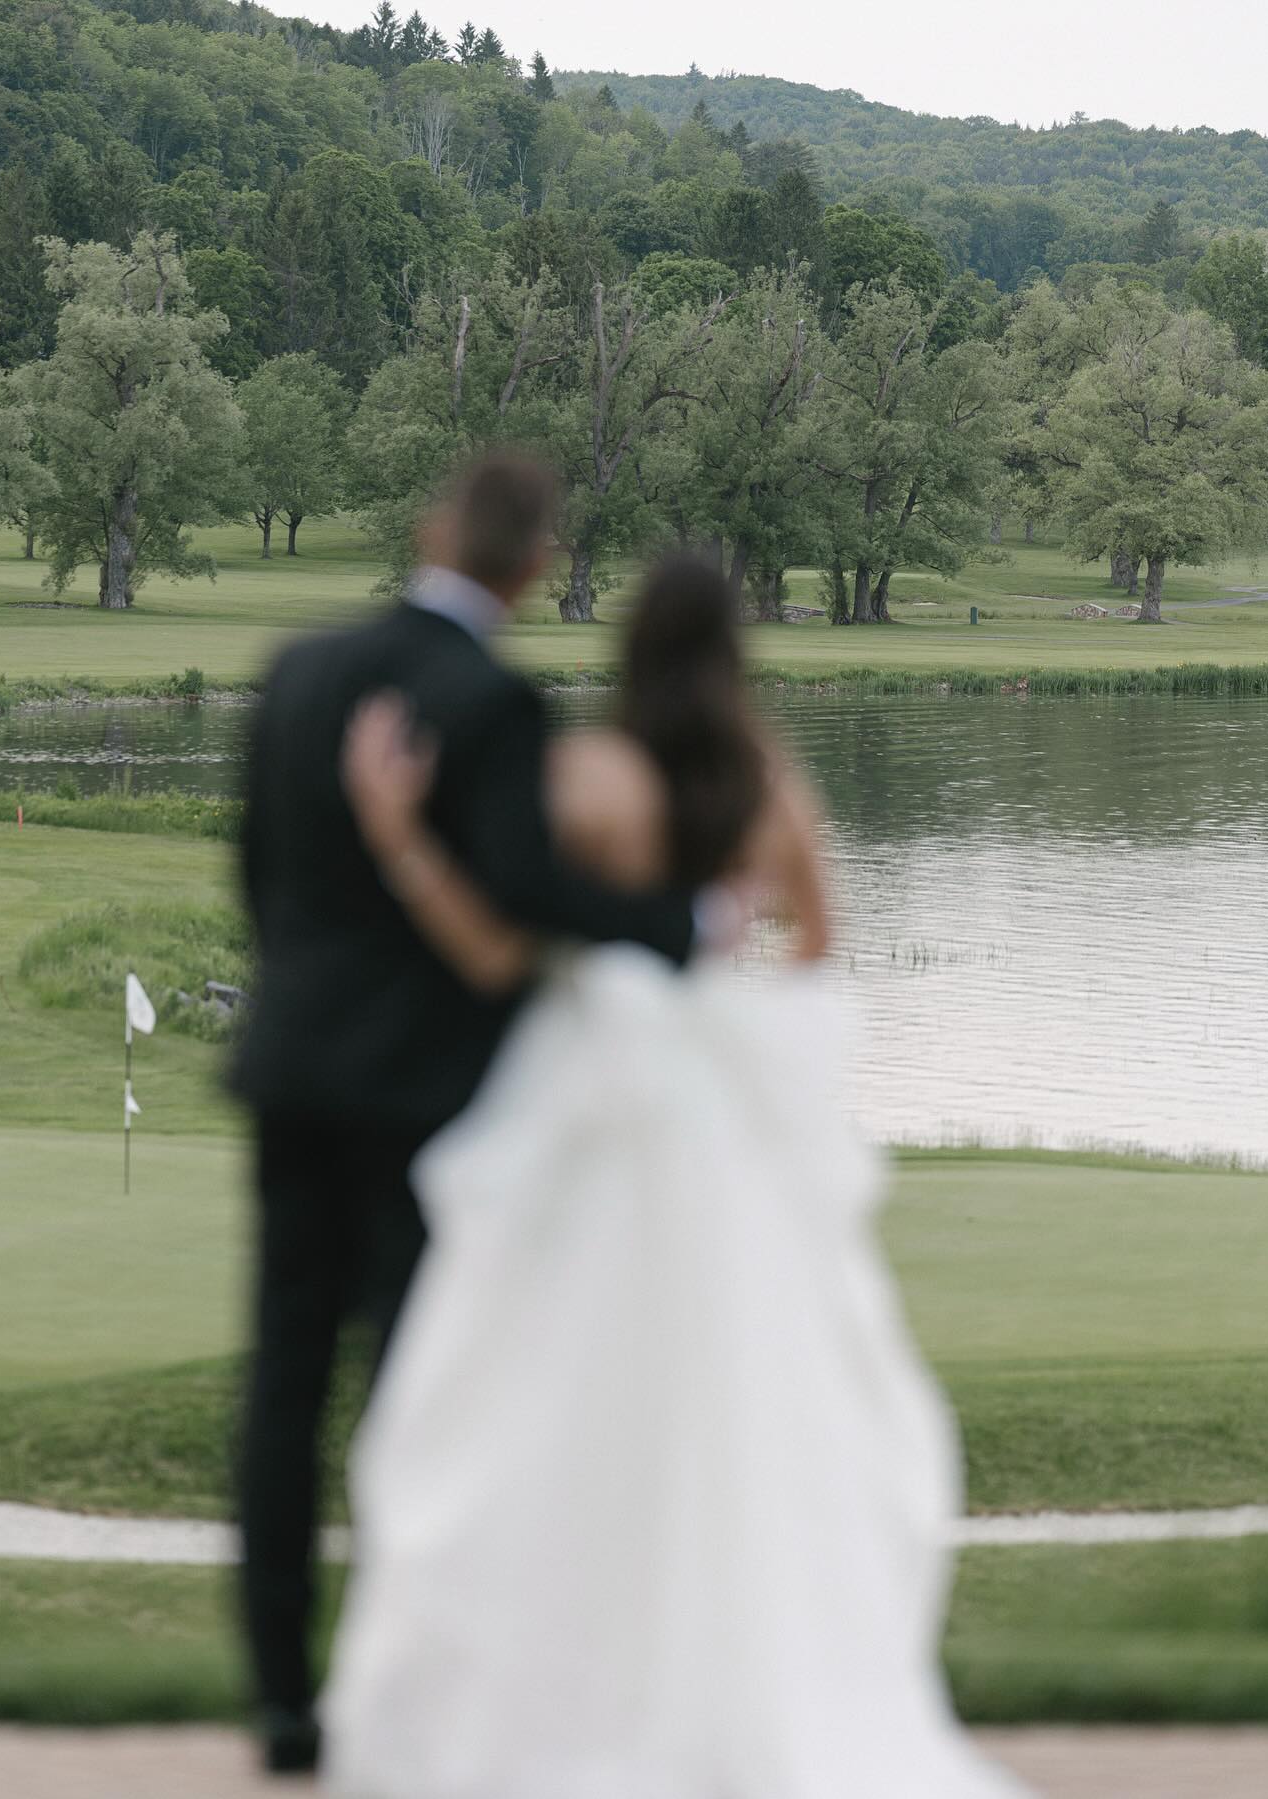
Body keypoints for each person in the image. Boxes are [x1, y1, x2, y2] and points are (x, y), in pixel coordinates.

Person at [321, 555, 1027, 1798]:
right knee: (745, 1376)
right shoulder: (764, 779)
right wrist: (730, 1017)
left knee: (543, 1381)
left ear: (632, 650)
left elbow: (505, 939)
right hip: (711, 1117)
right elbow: (821, 946)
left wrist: (398, 837)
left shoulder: (588, 774)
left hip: (593, 1098)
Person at [228, 456, 713, 1774]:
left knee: (282, 1380)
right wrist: (680, 923)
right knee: (411, 1387)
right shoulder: (491, 700)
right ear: (534, 564)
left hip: (291, 1067)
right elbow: (523, 886)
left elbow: (260, 873)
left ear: (434, 531)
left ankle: (282, 1695)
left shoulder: (300, 668)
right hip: (416, 1091)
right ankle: (401, 1682)